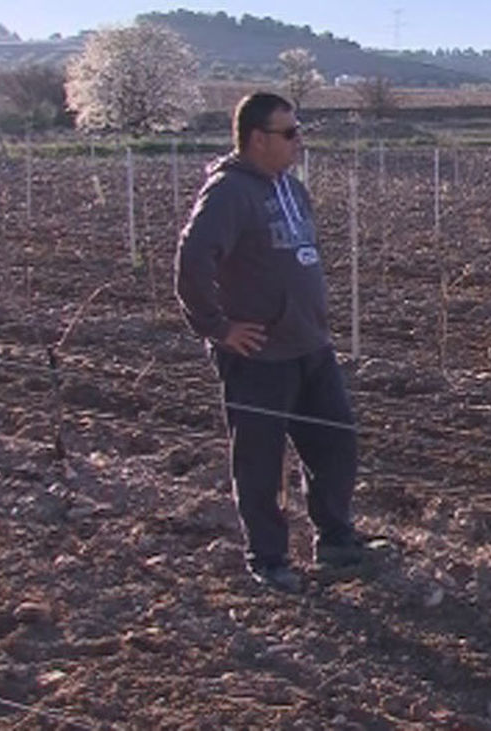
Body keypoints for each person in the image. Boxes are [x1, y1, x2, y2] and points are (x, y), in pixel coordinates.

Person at [175, 92, 375, 592]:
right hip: (259, 354)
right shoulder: (227, 193)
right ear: (257, 139)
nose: (298, 141)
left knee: (335, 441)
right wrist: (218, 328)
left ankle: (335, 540)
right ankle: (268, 558)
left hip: (310, 344)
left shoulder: (290, 187)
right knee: (260, 460)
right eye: (289, 133)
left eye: (299, 130)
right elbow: (192, 261)